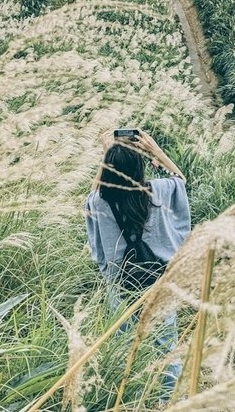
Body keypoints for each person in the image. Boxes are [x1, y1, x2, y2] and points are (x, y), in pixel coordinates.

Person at [84, 128, 191, 404]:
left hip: (120, 288)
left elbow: (92, 197)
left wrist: (108, 154)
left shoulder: (100, 202)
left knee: (123, 348)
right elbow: (180, 180)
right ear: (139, 167)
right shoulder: (158, 192)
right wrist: (155, 150)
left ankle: (128, 400)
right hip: (158, 284)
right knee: (166, 350)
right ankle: (168, 402)